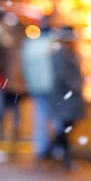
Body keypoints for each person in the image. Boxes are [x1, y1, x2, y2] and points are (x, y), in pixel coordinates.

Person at [48, 26, 85, 171]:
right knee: (66, 127)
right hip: (66, 96)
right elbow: (62, 75)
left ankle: (54, 151)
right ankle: (64, 157)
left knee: (67, 127)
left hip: (68, 96)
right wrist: (76, 85)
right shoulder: (60, 54)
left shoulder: (68, 53)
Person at [21, 16, 55, 160]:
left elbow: (25, 66)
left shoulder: (29, 44)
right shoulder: (52, 42)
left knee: (40, 117)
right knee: (53, 117)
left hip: (36, 85)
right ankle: (53, 147)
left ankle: (41, 147)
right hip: (51, 85)